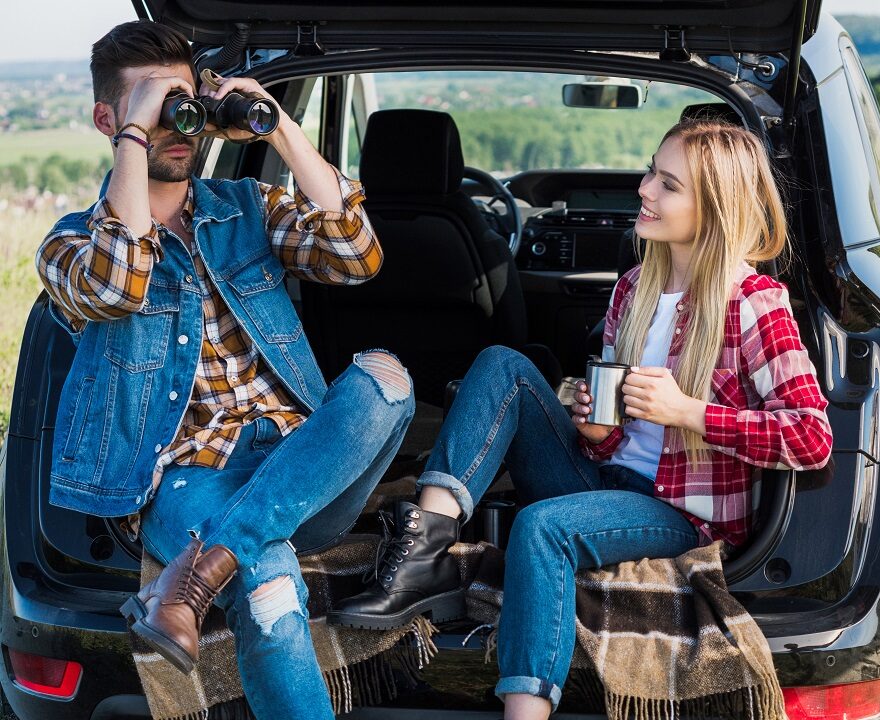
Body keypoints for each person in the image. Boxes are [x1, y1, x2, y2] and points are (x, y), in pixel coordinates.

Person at [330, 120, 835, 719]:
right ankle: (423, 554)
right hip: (608, 482)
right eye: (652, 171)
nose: (644, 189)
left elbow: (811, 438)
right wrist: (598, 431)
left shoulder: (754, 304)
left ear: (716, 207)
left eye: (668, 185)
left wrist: (689, 413)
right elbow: (617, 433)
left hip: (678, 512)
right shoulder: (633, 289)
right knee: (503, 365)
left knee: (541, 527)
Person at [35, 21, 413, 720]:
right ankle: (232, 555)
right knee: (269, 589)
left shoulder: (246, 207)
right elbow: (116, 286)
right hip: (187, 480)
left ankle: (195, 577)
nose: (179, 127)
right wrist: (136, 137)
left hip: (301, 467)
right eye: (152, 108)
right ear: (107, 121)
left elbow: (356, 253)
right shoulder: (69, 244)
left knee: (386, 378)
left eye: (186, 105)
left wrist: (279, 128)